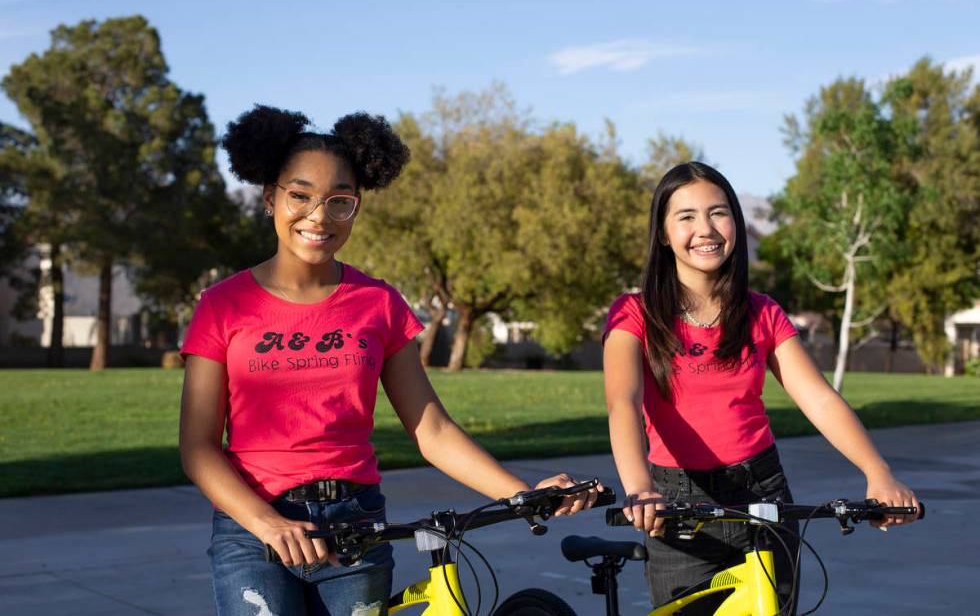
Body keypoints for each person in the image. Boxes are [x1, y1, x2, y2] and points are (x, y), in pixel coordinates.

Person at [179, 105, 596, 616]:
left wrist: (522, 493)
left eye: (340, 201)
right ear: (270, 198)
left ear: (356, 207)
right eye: (300, 195)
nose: (319, 216)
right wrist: (268, 523)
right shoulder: (223, 305)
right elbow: (198, 447)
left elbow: (433, 431)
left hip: (357, 527)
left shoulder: (378, 303)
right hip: (253, 531)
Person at [602, 161, 920, 615]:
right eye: (686, 216)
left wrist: (878, 472)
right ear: (662, 233)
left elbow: (818, 398)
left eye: (718, 212)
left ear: (736, 222)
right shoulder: (634, 313)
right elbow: (623, 404)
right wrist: (639, 488)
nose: (705, 229)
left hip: (763, 494)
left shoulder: (761, 312)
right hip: (675, 506)